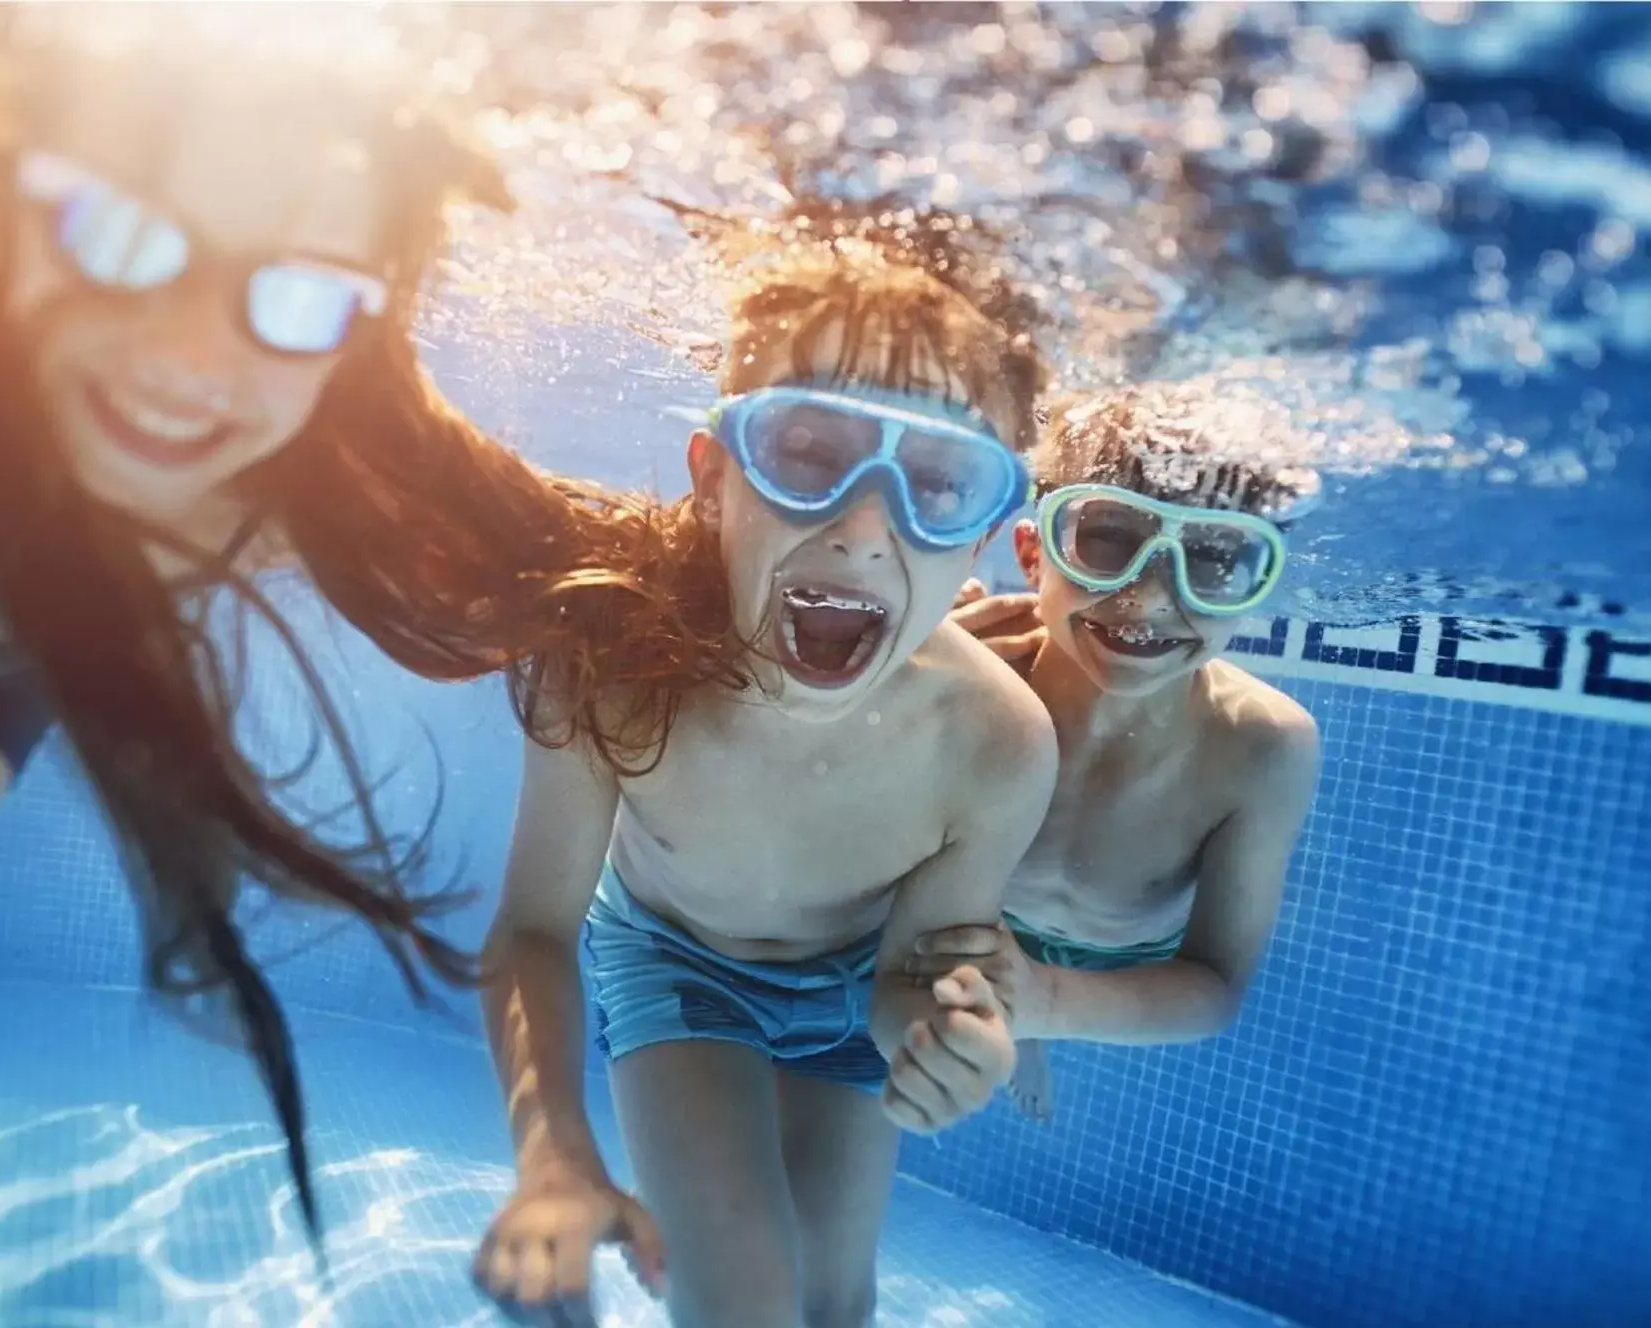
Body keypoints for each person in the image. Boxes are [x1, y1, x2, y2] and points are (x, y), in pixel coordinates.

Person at [0, 9, 691, 1318]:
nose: (190, 349)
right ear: (5, 203)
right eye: (117, 235)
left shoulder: (281, 484)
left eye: (295, 294)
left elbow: (587, 559)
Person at [472, 243, 1061, 1328]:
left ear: (980, 533)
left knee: (831, 1300)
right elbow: (535, 930)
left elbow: (905, 982)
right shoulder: (609, 663)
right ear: (712, 480)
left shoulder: (997, 745)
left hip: (850, 986)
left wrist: (947, 1036)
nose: (862, 524)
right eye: (805, 450)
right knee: (741, 1294)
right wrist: (554, 1152)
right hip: (674, 960)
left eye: (936, 481)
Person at [916, 383, 1323, 1120]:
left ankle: (1027, 1016)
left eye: (1211, 558)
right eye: (1107, 540)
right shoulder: (975, 672)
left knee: (1025, 998)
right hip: (981, 919)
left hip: (1121, 956)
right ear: (1034, 554)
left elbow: (1212, 985)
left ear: (1252, 589)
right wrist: (911, 673)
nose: (1151, 597)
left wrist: (1045, 1000)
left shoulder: (1263, 745)